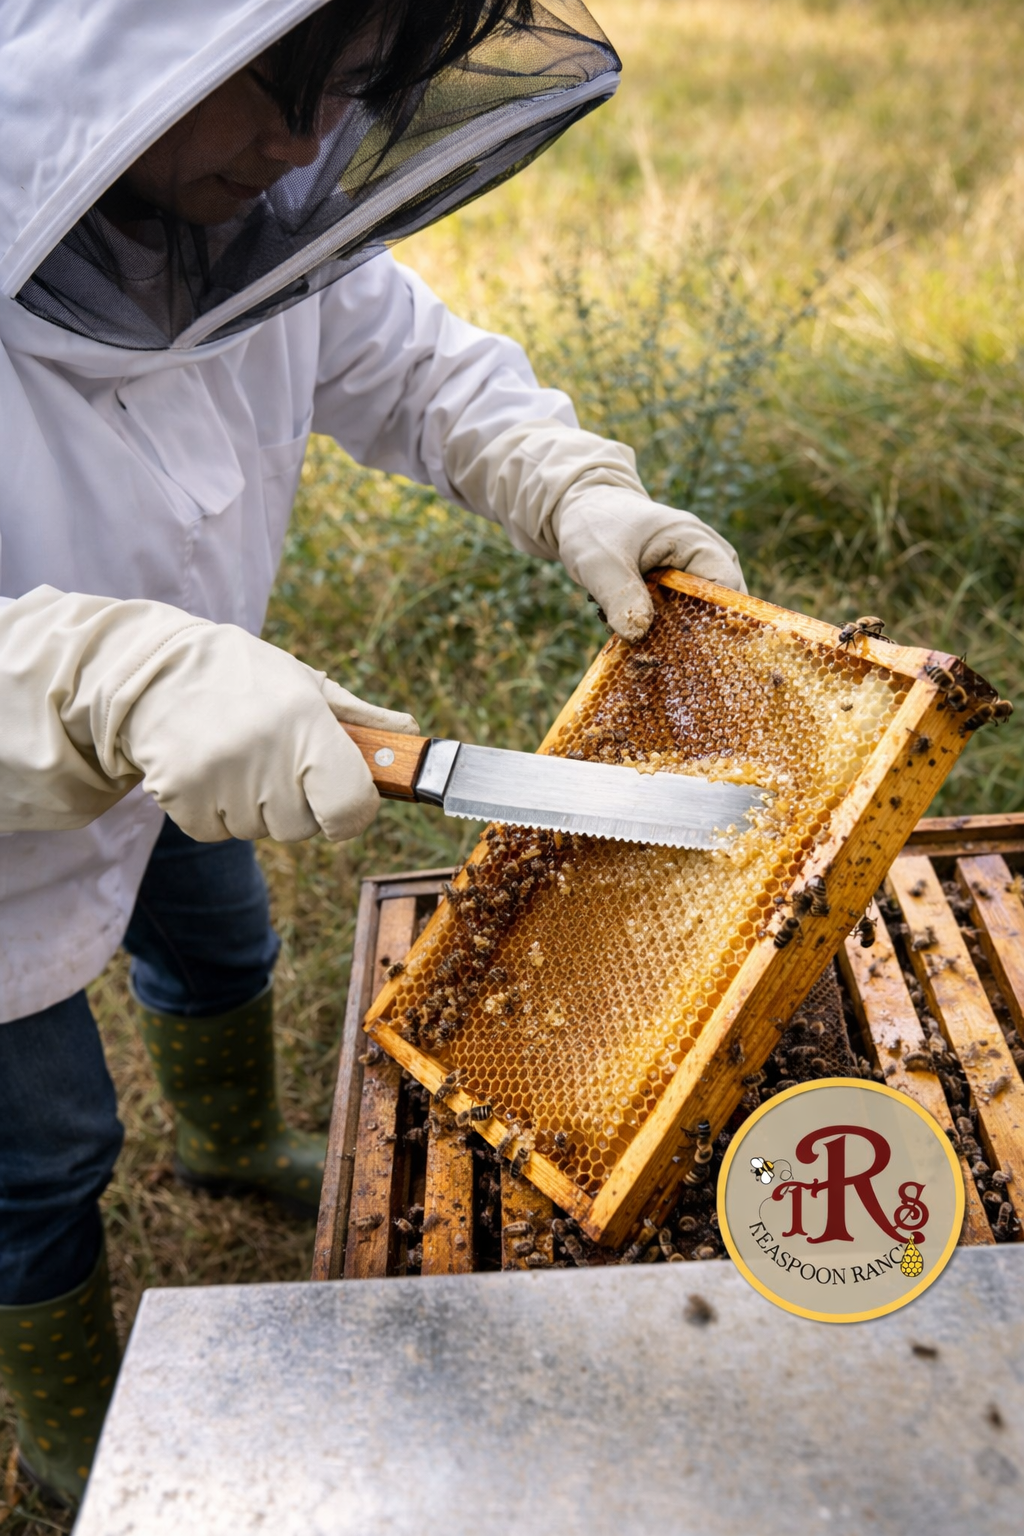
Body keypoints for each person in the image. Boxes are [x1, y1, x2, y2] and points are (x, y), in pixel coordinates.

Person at [0, 0, 745, 1505]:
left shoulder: (246, 223)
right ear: (108, 67)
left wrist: (570, 486)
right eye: (266, 93)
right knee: (41, 1152)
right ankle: (70, 1434)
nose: (302, 143)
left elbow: (424, 372)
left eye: (345, 93)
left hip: (203, 744)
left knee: (220, 941)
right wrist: (92, 673)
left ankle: (225, 1141)